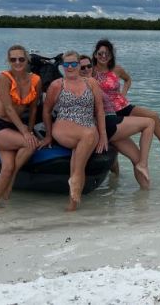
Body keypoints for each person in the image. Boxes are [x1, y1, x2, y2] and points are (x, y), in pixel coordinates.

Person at [92, 39, 160, 167]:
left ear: (111, 56)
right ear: (95, 54)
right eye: (100, 53)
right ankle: (115, 178)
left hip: (123, 106)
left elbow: (128, 80)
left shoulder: (117, 69)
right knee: (114, 156)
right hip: (108, 112)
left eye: (107, 53)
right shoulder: (90, 71)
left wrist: (123, 93)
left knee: (154, 116)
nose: (103, 56)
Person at [40, 50, 107, 211]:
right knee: (89, 136)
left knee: (80, 154)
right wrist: (48, 135)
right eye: (66, 64)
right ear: (62, 66)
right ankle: (76, 178)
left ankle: (72, 207)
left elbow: (99, 110)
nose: (70, 67)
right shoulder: (57, 85)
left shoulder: (91, 82)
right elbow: (47, 111)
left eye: (74, 64)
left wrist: (103, 135)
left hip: (87, 124)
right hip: (65, 125)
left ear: (79, 64)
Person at [78, 55, 153, 189]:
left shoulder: (92, 81)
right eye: (82, 67)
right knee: (149, 123)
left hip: (110, 126)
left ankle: (146, 196)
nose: (86, 69)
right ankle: (144, 166)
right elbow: (92, 111)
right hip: (108, 125)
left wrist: (120, 93)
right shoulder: (84, 84)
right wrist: (102, 136)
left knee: (136, 159)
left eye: (88, 66)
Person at [0, 44, 42, 207]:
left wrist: (29, 129)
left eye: (21, 59)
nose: (17, 62)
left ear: (27, 60)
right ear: (8, 61)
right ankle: (12, 181)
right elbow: (8, 108)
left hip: (14, 126)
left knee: (7, 167)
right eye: (13, 59)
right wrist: (25, 132)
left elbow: (34, 108)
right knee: (31, 144)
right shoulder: (4, 78)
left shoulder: (35, 80)